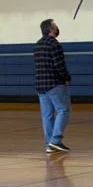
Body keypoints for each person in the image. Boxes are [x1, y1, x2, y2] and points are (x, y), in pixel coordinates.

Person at [33, 19, 71, 153]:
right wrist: (67, 77)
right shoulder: (54, 44)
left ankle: (50, 143)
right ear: (51, 29)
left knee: (47, 115)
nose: (57, 28)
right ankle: (55, 140)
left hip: (40, 85)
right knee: (63, 110)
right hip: (54, 84)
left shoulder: (37, 45)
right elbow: (59, 65)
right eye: (55, 26)